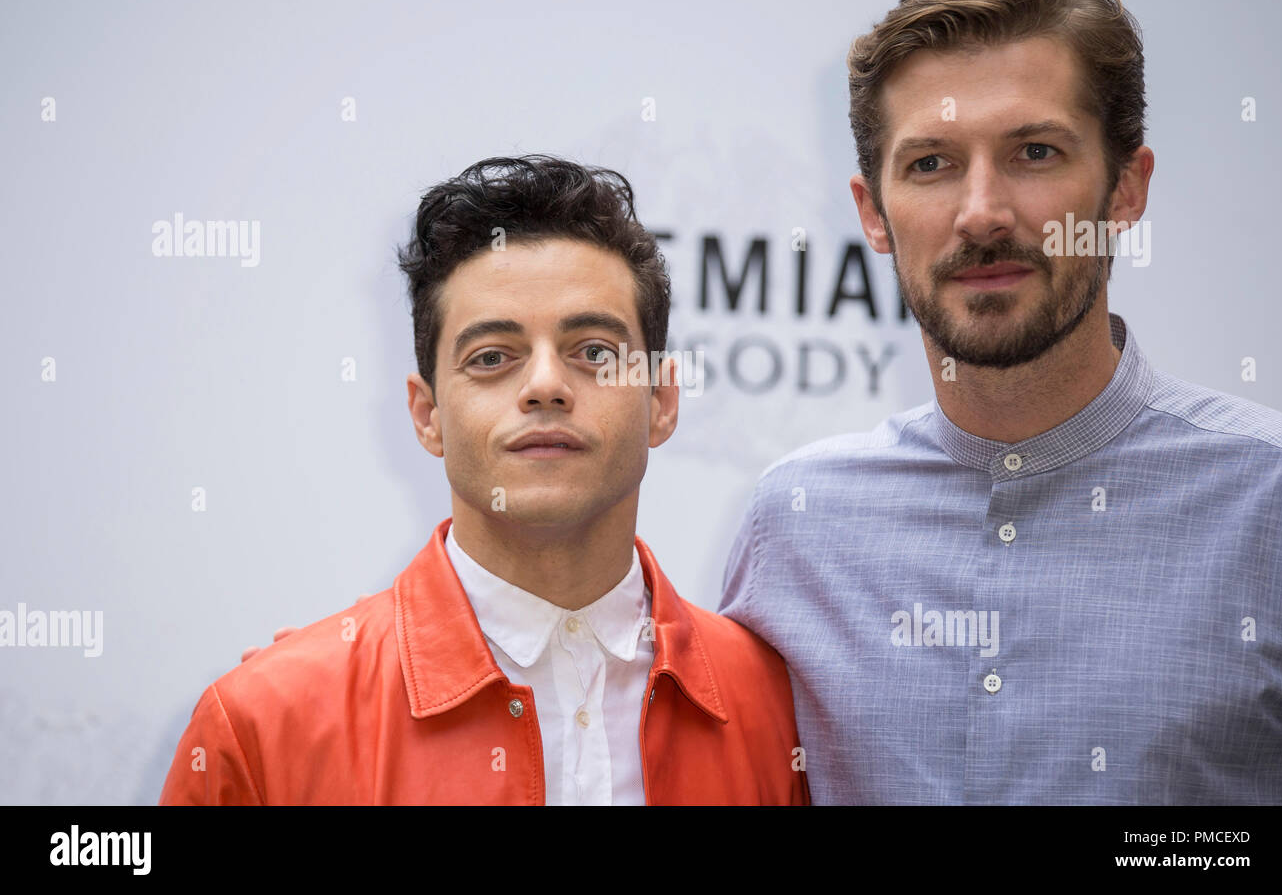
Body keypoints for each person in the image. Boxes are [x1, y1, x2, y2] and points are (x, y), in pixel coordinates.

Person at [720, 0, 1282, 804]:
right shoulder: (795, 526)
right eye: (931, 164)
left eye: (1034, 151)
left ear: (1126, 191)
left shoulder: (1278, 503)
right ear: (872, 214)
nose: (983, 212)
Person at [160, 155, 808, 805]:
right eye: (492, 357)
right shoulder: (263, 723)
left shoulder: (785, 711)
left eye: (594, 352)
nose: (547, 386)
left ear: (662, 401)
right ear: (428, 415)